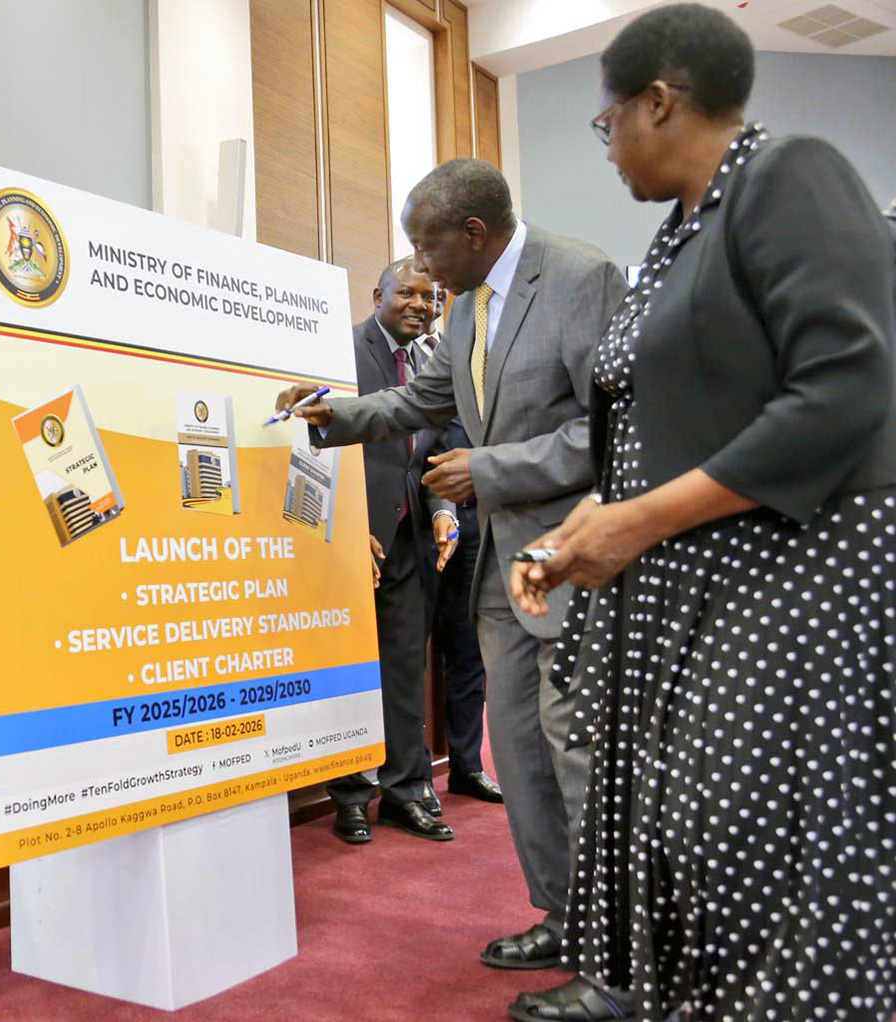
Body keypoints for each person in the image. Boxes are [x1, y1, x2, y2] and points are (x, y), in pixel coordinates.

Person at [508, 6, 896, 1021]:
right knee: (679, 836)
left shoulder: (787, 174)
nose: (608, 148)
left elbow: (844, 389)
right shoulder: (679, 232)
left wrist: (633, 524)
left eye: (605, 125)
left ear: (658, 101)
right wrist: (576, 530)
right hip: (687, 578)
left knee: (746, 841)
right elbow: (671, 427)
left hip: (785, 574)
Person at [276, 159, 627, 969]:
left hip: (572, 557)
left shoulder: (581, 278)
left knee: (576, 748)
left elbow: (613, 432)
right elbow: (418, 401)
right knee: (523, 749)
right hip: (498, 572)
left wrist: (490, 471)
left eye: (426, 245)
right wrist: (329, 413)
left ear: (474, 232)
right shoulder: (468, 309)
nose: (420, 266)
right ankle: (563, 917)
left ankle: (615, 939)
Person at [328, 258, 459, 845]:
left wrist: (443, 513)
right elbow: (316, 442)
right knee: (353, 672)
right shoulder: (340, 349)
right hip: (355, 538)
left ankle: (406, 792)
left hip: (411, 538)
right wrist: (347, 525)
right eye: (406, 292)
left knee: (407, 667)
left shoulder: (433, 361)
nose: (420, 305)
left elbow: (435, 452)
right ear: (377, 293)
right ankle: (352, 796)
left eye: (430, 297)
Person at [415, 289, 503, 806]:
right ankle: (408, 773)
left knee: (468, 653)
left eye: (436, 297)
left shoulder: (484, 356)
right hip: (416, 522)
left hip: (476, 516)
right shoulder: (406, 358)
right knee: (412, 654)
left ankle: (467, 766)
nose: (429, 304)